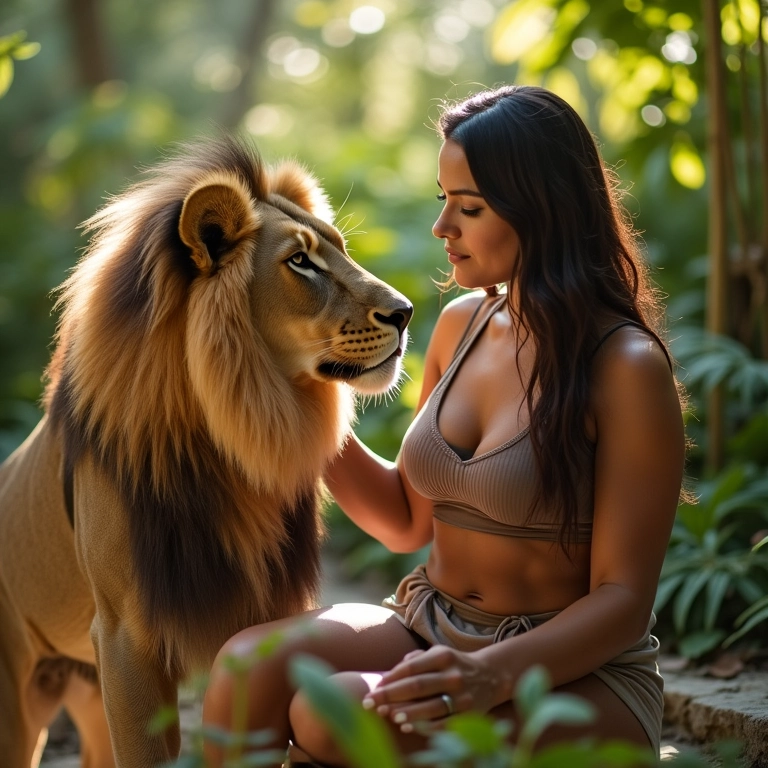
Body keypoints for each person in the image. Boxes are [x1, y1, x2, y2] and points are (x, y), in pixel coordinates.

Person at [202, 85, 686, 767]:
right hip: (430, 625)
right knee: (247, 667)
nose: (442, 227)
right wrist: (290, 385)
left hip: (572, 674)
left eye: (470, 207)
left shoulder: (626, 367)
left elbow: (623, 600)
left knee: (332, 711)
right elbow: (407, 520)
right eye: (443, 200)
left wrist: (491, 674)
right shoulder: (462, 326)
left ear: (542, 209)